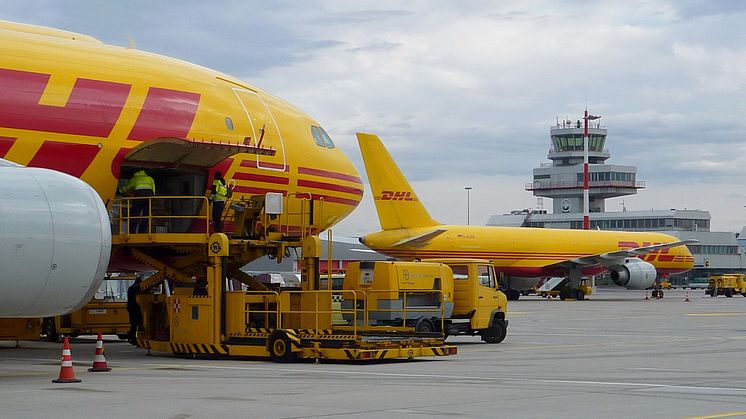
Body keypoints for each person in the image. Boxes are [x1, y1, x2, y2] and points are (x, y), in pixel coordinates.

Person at [126, 277, 143, 345]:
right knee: (136, 324)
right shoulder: (136, 288)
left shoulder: (131, 288)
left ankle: (131, 337)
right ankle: (132, 337)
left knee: (133, 325)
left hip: (131, 308)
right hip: (135, 308)